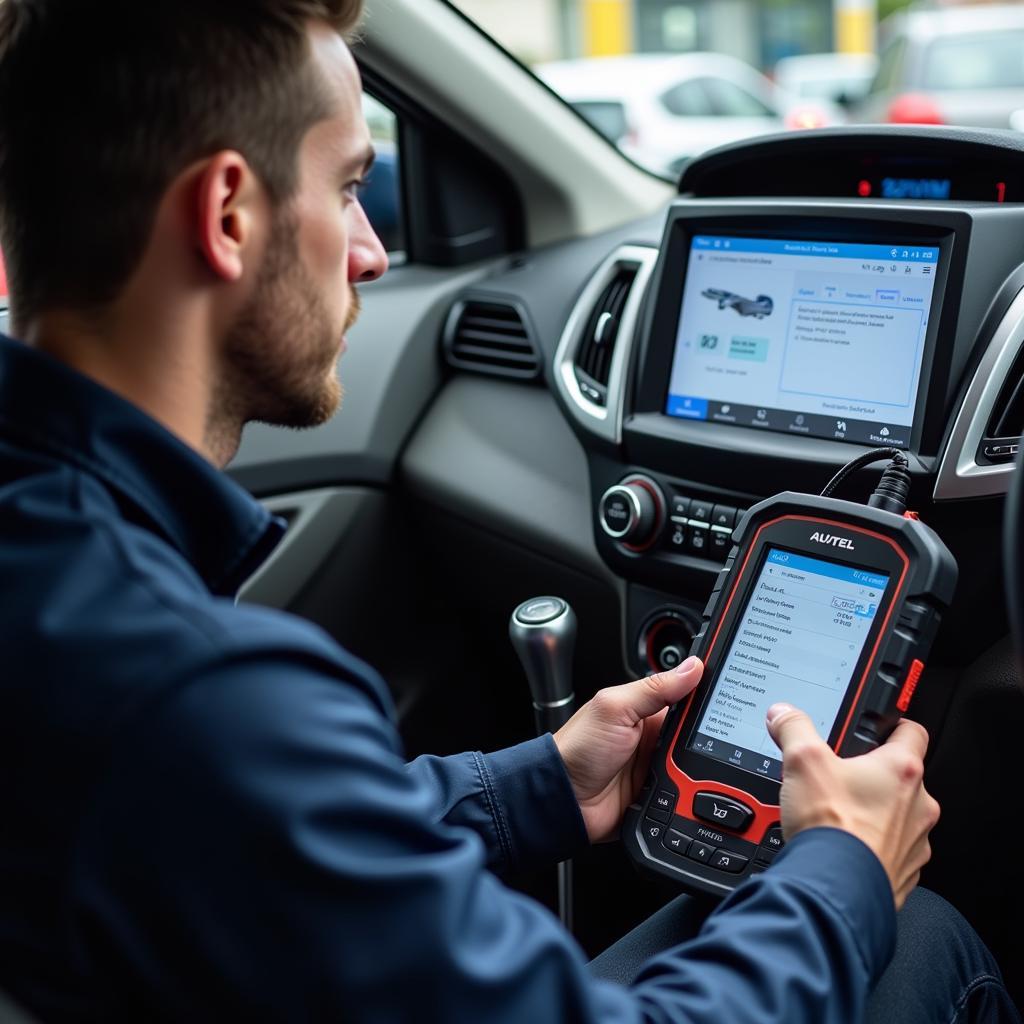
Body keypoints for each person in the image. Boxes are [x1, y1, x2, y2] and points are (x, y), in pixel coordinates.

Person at [0, 2, 1016, 1021]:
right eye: (350, 187)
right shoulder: (203, 695)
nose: (371, 251)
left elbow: (227, 826)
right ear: (226, 214)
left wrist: (535, 788)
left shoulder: (59, 576)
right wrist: (843, 866)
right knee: (920, 932)